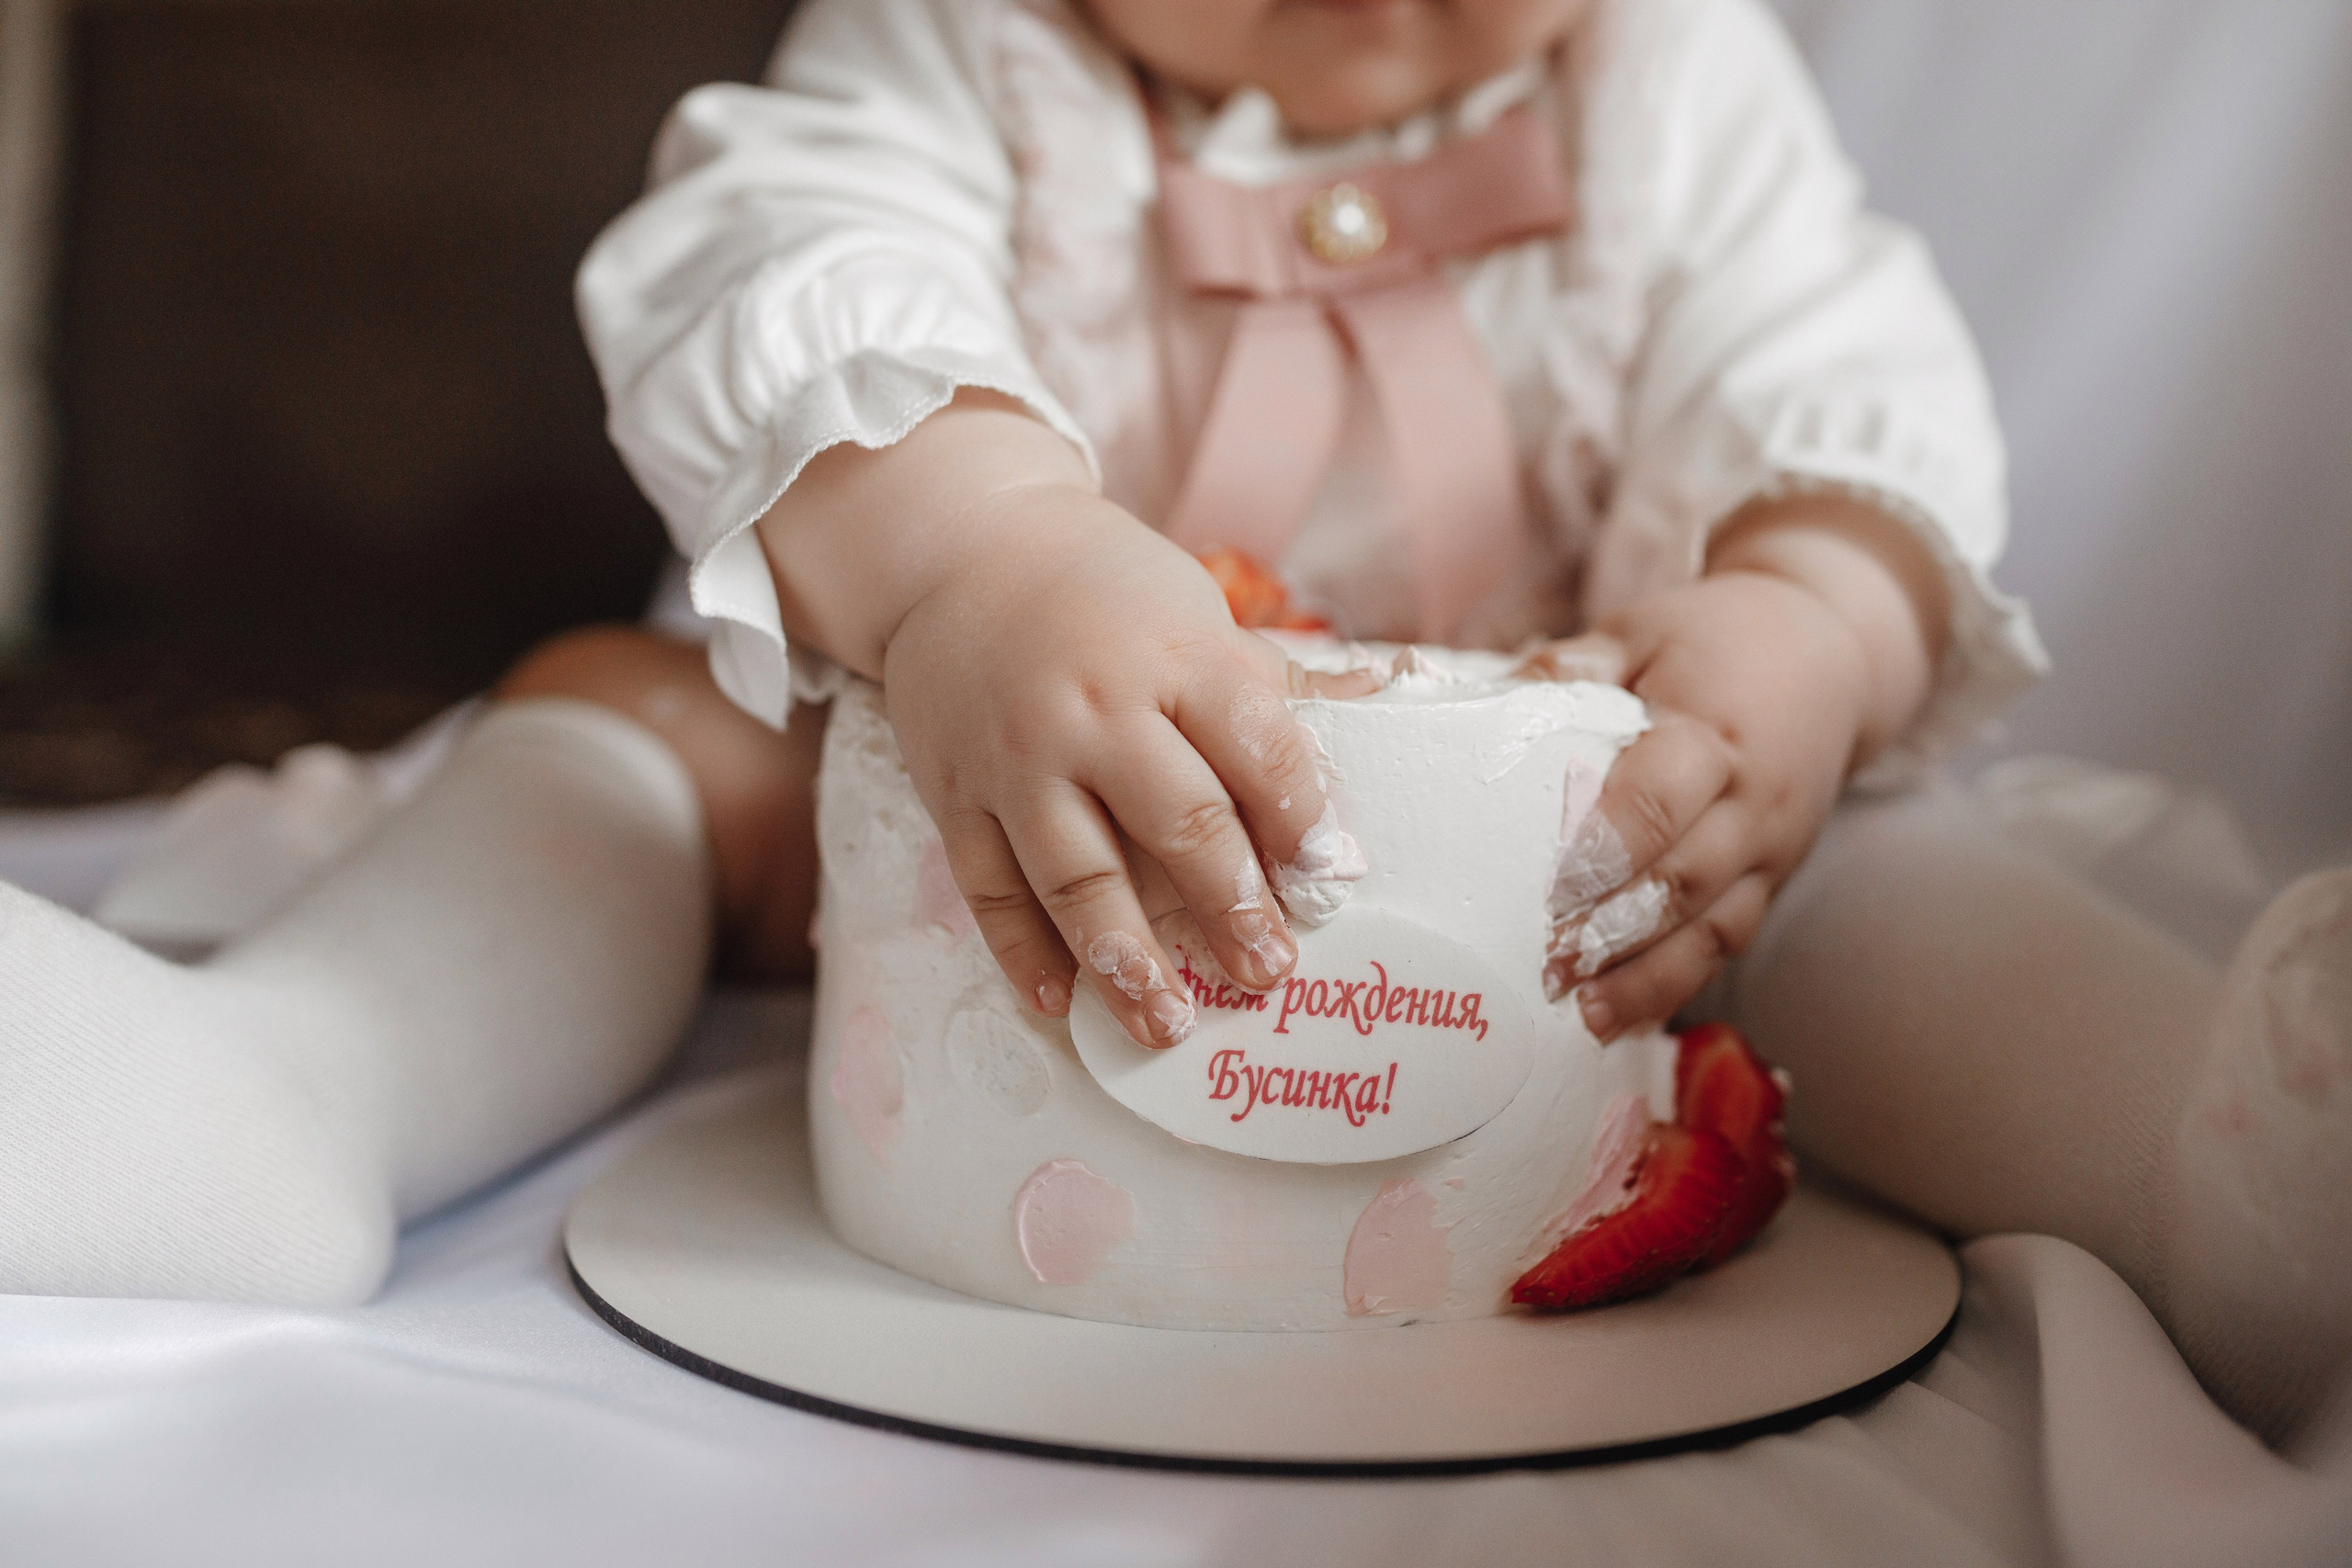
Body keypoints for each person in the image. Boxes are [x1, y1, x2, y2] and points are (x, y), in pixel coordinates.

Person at [1, 0, 2343, 1447]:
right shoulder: (961, 42)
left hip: (1554, 898)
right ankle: (314, 1082)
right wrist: (977, 561)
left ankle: (2186, 1152)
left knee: (1816, 832)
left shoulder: (1672, 80)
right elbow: (781, 256)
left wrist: (1802, 632)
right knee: (636, 725)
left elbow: (1847, 381)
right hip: (915, 813)